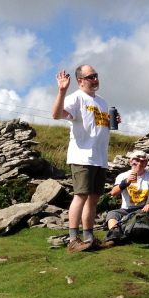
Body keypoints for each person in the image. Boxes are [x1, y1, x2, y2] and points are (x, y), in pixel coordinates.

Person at [52, 65, 118, 252]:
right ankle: (73, 240)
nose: (95, 79)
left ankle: (89, 238)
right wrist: (62, 91)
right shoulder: (75, 98)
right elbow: (56, 115)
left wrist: (113, 120)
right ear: (80, 80)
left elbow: (98, 124)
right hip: (82, 156)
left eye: (96, 76)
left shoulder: (102, 102)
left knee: (93, 199)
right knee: (80, 196)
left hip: (100, 157)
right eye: (91, 77)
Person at [106, 149, 149, 240]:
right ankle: (115, 233)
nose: (139, 163)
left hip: (145, 209)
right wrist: (126, 182)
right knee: (112, 214)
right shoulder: (122, 176)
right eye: (136, 161)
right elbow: (113, 193)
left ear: (146, 163)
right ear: (131, 162)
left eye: (142, 161)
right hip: (126, 209)